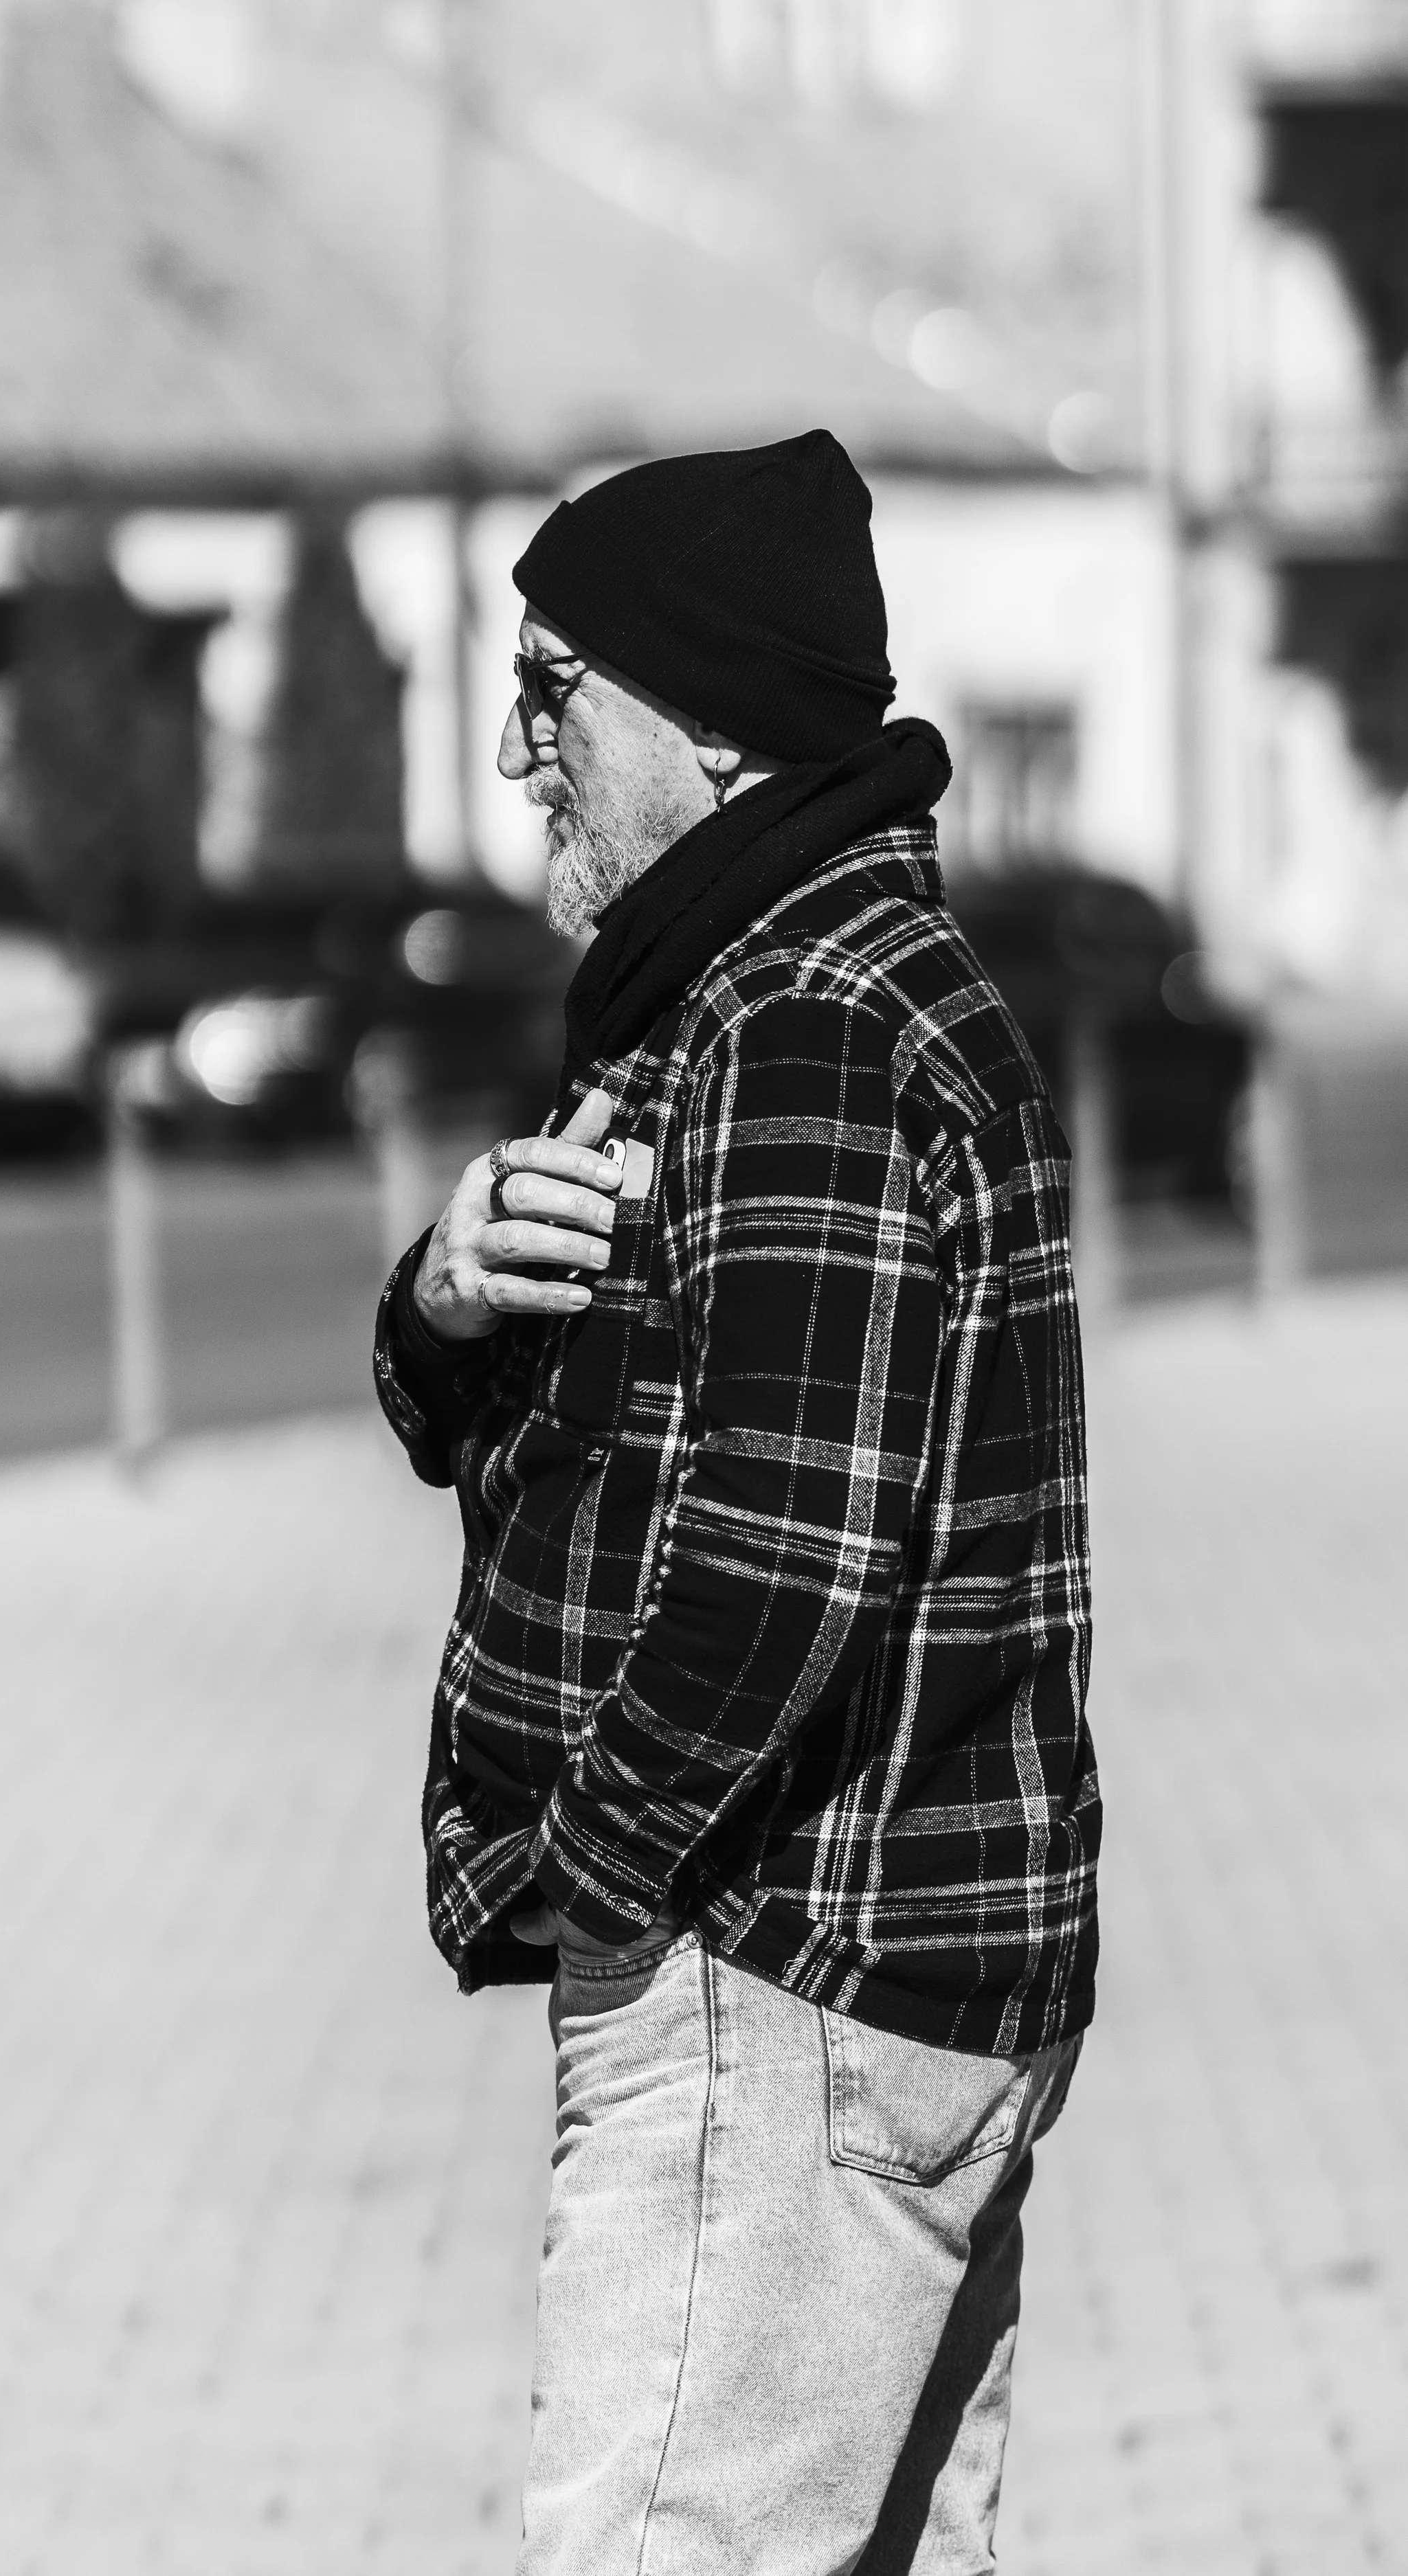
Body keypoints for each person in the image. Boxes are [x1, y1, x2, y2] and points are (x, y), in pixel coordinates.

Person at [372, 430, 1099, 2576]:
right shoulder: (753, 983)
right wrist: (445, 1289)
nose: (518, 753)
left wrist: (593, 1882)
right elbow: (532, 1426)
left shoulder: (799, 1016)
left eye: (547, 691)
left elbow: (779, 1565)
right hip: (889, 1978)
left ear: (699, 723)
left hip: (776, 1986)